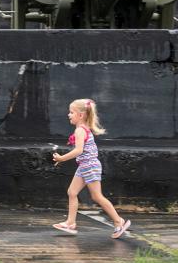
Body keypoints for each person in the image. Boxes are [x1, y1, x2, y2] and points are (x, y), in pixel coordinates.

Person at [51, 98, 130, 238]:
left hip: (89, 166)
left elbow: (79, 150)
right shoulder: (82, 129)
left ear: (80, 115)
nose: (68, 115)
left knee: (97, 196)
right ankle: (70, 223)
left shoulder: (80, 130)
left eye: (71, 112)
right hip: (85, 165)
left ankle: (119, 222)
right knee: (72, 192)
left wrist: (62, 158)